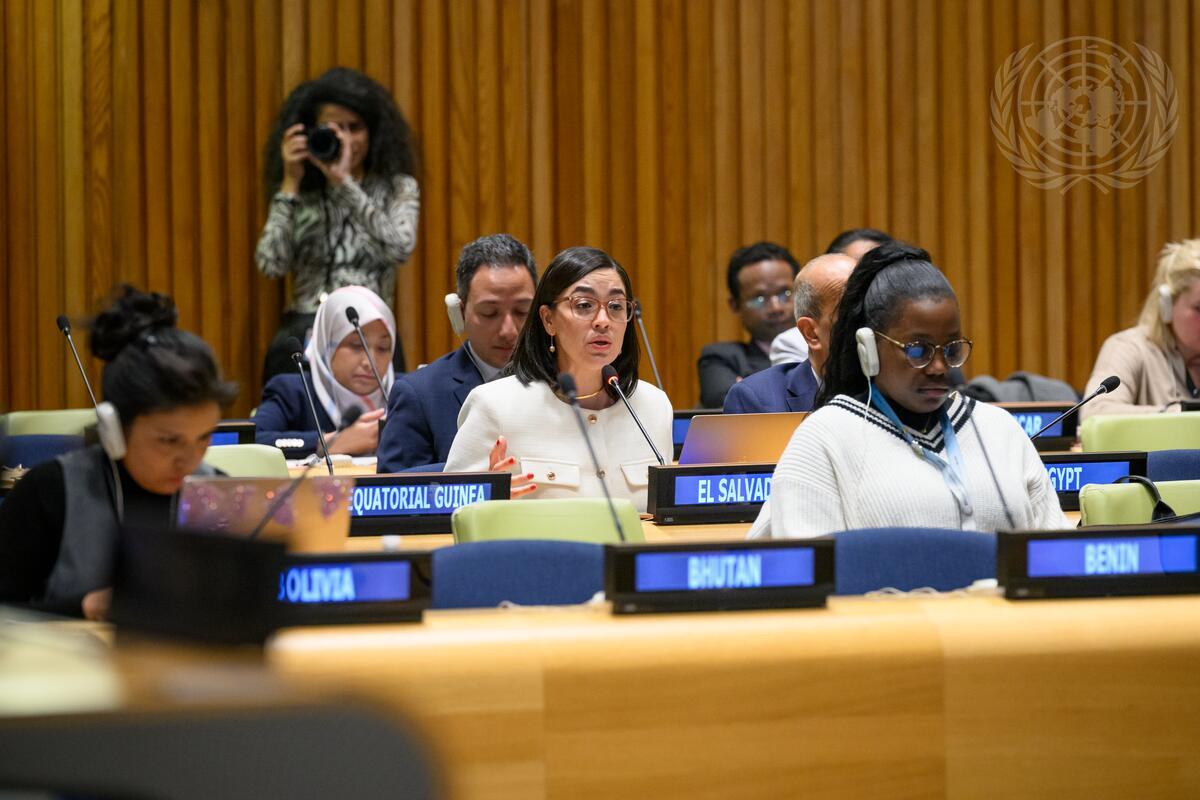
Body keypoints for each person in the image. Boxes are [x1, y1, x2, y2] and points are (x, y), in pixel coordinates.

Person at [748, 242, 1067, 539]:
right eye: (918, 350)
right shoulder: (823, 437)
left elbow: (1053, 556)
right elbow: (811, 574)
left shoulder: (999, 429)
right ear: (868, 349)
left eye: (951, 349)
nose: (940, 367)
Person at [0, 287, 238, 619]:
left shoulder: (217, 495)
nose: (190, 461)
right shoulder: (49, 492)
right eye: (169, 441)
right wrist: (86, 606)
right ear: (114, 427)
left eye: (203, 438)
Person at [444, 247, 672, 511]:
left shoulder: (653, 407)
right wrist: (487, 502)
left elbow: (666, 518)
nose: (602, 321)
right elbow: (451, 515)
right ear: (548, 319)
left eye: (616, 307)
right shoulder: (495, 406)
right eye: (584, 305)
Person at [256, 67, 420, 383]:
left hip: (370, 329)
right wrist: (290, 182)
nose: (344, 138)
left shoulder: (397, 188)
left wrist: (343, 183)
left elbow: (400, 248)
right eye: (332, 128)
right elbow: (270, 263)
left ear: (373, 133)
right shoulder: (302, 192)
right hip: (305, 328)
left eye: (354, 127)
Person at [377, 234, 537, 472]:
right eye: (490, 313)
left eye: (523, 311)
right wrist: (476, 478)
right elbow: (393, 496)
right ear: (459, 313)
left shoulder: (564, 385)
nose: (508, 331)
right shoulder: (420, 395)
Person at [255, 285, 392, 458]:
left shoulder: (408, 392)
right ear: (326, 346)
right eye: (357, 345)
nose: (370, 362)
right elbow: (252, 440)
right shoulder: (293, 391)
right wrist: (326, 442)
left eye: (383, 348)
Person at [1081, 239, 1200, 419]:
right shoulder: (1129, 348)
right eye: (1199, 309)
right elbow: (1095, 413)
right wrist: (1180, 416)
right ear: (1167, 305)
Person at [724, 253, 855, 414]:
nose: (870, 325)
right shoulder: (756, 399)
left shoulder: (890, 388)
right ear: (811, 333)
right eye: (851, 315)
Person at [697, 242, 800, 407]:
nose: (776, 307)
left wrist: (748, 389)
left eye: (785, 293)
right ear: (735, 304)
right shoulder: (721, 359)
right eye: (759, 298)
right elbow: (733, 406)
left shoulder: (823, 350)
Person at [770, 227, 893, 365]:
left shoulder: (900, 334)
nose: (864, 280)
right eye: (856, 271)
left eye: (876, 270)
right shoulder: (793, 343)